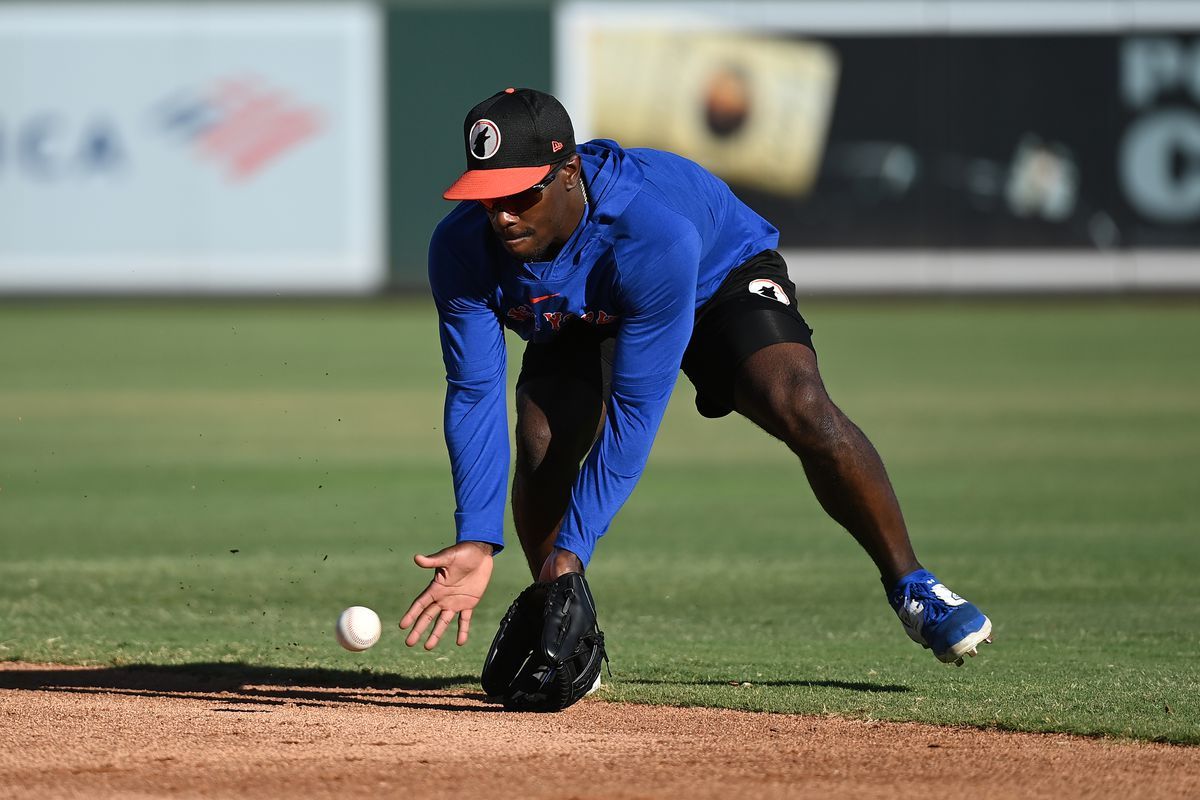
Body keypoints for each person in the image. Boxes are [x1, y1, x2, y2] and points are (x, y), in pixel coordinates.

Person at [399, 87, 992, 667]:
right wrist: (477, 535)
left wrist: (573, 549)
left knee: (800, 403)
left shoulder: (651, 228)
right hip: (590, 308)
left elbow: (634, 411)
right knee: (543, 439)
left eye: (520, 193)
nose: (501, 216)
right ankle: (567, 625)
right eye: (485, 196)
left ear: (569, 172)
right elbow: (475, 392)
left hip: (714, 276)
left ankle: (911, 584)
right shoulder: (461, 247)